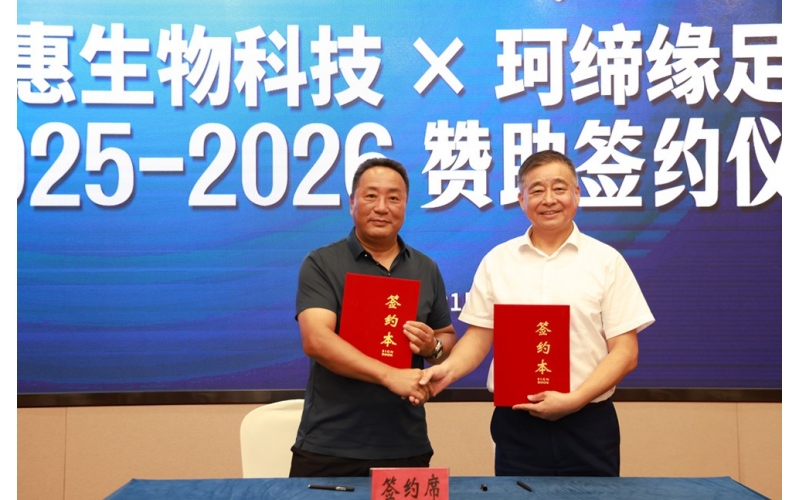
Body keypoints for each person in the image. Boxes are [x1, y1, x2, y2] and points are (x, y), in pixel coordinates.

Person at [417, 150, 654, 477]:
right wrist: (447, 371)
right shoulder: (498, 261)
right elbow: (479, 337)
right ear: (522, 199)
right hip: (517, 422)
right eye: (537, 190)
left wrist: (575, 399)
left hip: (588, 422)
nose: (549, 199)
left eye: (559, 188)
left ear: (576, 193)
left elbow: (626, 352)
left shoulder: (606, 262)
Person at [290, 157, 457, 477]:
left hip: (406, 444)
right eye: (370, 196)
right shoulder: (322, 262)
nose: (382, 207)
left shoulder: (425, 268)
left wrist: (432, 347)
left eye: (393, 198)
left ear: (405, 205)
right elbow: (316, 340)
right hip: (329, 445)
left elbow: (446, 338)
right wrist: (389, 375)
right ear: (352, 202)